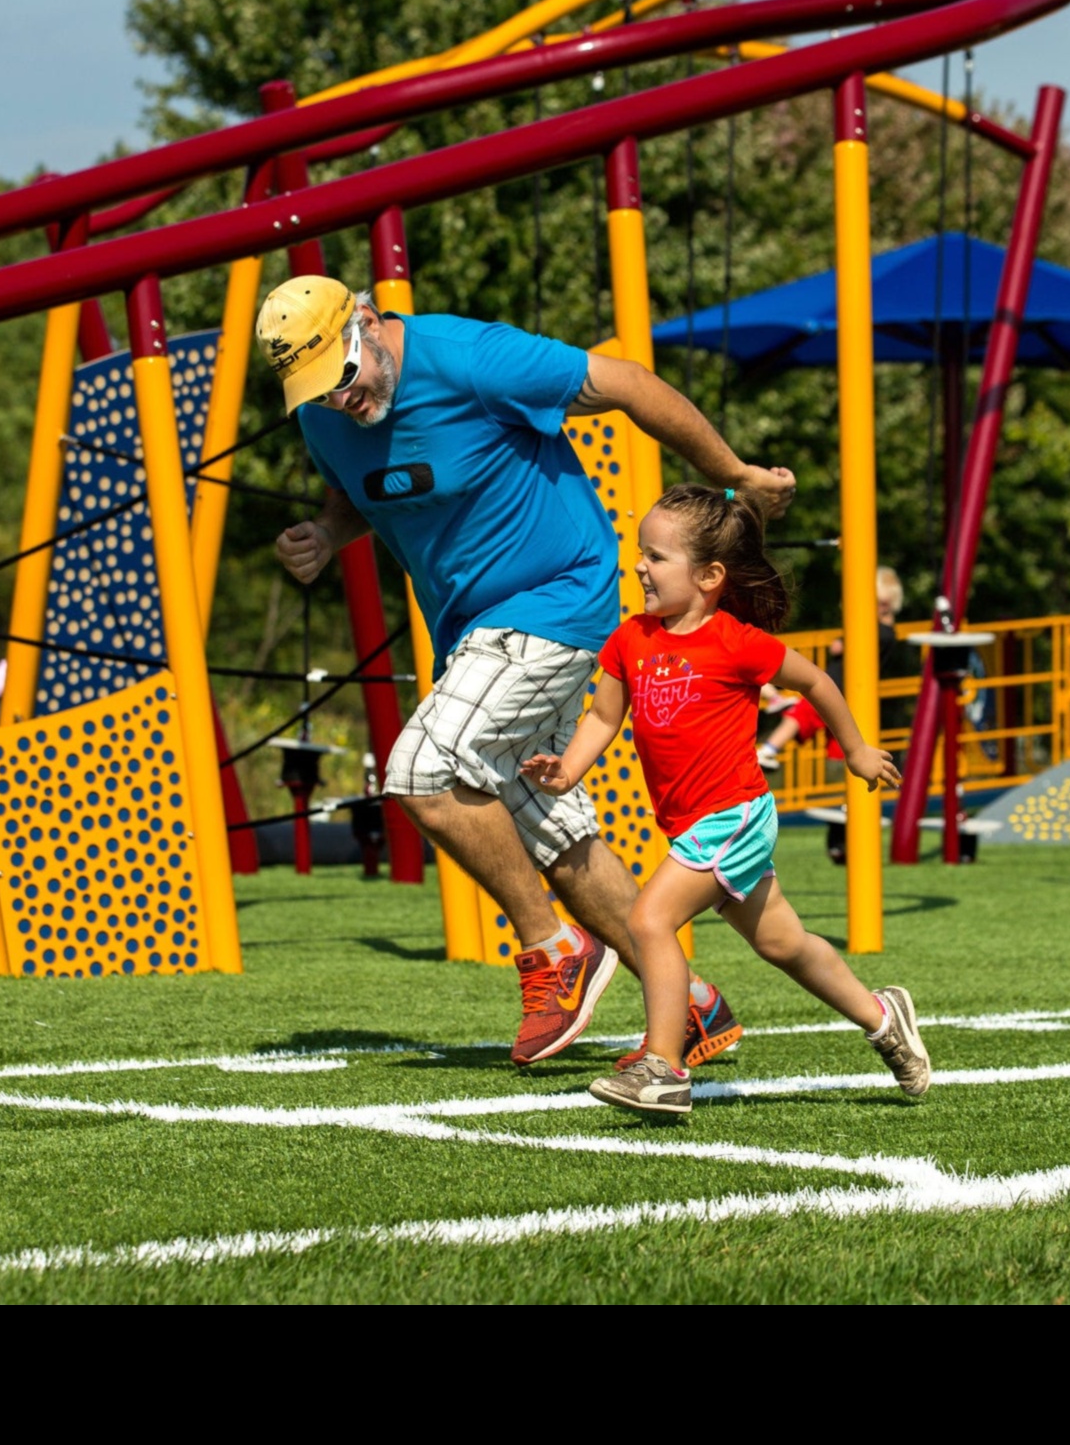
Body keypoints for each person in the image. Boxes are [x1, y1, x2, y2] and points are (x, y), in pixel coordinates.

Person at [262, 276, 793, 1068]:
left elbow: (628, 384)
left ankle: (552, 951)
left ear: (367, 325)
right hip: (470, 632)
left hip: (556, 600)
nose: (337, 401)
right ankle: (689, 1004)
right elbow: (365, 495)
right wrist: (326, 534)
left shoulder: (474, 358)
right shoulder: (324, 420)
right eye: (313, 392)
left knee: (422, 772)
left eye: (342, 378)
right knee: (552, 831)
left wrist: (736, 472)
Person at [525, 484, 930, 1118]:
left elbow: (817, 681)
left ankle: (662, 1066)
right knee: (782, 944)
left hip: (733, 816)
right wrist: (567, 769)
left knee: (649, 920)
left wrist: (854, 750)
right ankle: (884, 1019)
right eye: (641, 553)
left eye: (656, 557)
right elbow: (604, 718)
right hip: (694, 827)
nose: (640, 567)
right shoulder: (631, 639)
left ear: (710, 576)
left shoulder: (737, 642)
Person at [757, 563, 905, 770]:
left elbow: (840, 646)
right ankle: (849, 786)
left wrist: (842, 642)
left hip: (835, 686)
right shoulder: (887, 632)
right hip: (849, 690)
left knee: (799, 715)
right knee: (843, 743)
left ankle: (769, 750)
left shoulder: (876, 631)